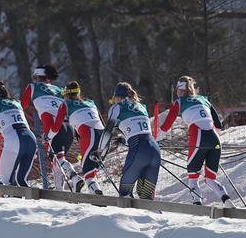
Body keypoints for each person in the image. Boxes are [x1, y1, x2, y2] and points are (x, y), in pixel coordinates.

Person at [159, 76, 234, 206]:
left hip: (199, 138)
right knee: (210, 179)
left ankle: (197, 204)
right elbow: (218, 125)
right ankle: (227, 202)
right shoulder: (204, 99)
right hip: (215, 140)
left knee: (193, 177)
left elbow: (165, 127)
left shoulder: (179, 102)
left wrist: (155, 139)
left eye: (177, 89)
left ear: (180, 90)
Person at [20, 64, 82, 191]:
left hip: (54, 127)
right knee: (57, 160)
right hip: (69, 127)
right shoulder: (59, 89)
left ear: (36, 77)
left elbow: (21, 106)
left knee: (57, 158)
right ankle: (59, 191)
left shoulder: (32, 87)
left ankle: (74, 177)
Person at [99, 82, 160, 199]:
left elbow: (107, 133)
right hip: (155, 150)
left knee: (125, 194)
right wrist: (125, 139)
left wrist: (99, 152)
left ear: (116, 96)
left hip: (139, 150)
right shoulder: (141, 106)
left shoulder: (116, 107)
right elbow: (138, 130)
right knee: (146, 197)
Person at [0, 80, 36, 187]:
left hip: (14, 137)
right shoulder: (16, 102)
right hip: (31, 138)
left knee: (5, 181)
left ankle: (11, 202)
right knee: (21, 180)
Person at [51, 81, 105, 195]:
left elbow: (55, 128)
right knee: (91, 170)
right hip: (103, 136)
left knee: (88, 173)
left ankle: (97, 198)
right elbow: (101, 121)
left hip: (90, 135)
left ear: (66, 94)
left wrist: (47, 137)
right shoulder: (90, 102)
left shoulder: (65, 104)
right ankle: (96, 192)